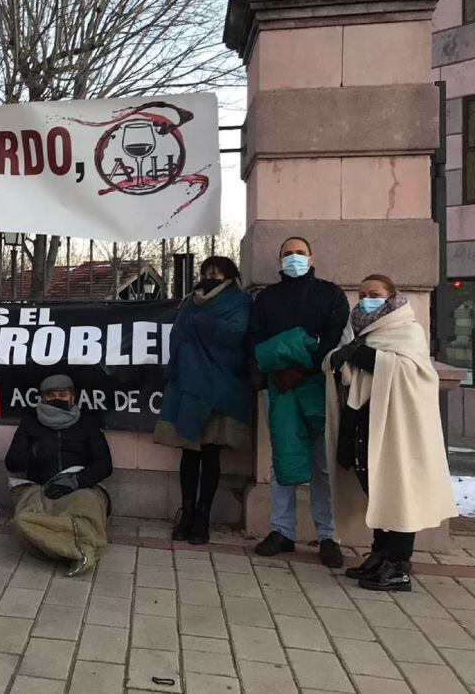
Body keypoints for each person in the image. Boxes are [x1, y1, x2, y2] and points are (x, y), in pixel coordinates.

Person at [325, 275, 456, 592]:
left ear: (391, 296)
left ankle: (399, 563)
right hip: (362, 418)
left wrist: (360, 356)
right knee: (374, 485)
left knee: (397, 487)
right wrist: (340, 357)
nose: (368, 298)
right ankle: (381, 552)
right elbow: (340, 359)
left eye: (375, 293)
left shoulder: (406, 329)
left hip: (396, 424)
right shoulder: (354, 328)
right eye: (362, 293)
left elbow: (410, 371)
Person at [248, 236, 349, 567]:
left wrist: (303, 370)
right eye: (288, 254)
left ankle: (328, 536)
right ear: (279, 262)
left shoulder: (331, 294)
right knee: (283, 458)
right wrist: (278, 369)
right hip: (279, 386)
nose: (294, 258)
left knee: (322, 464)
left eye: (299, 253)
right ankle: (282, 531)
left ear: (312, 258)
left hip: (318, 386)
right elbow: (257, 339)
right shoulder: (267, 298)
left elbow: (333, 339)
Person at [154, 256, 251, 545]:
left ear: (230, 275)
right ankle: (188, 511)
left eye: (218, 272)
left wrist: (201, 320)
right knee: (189, 452)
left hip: (220, 384)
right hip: (188, 383)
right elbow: (177, 336)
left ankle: (203, 517)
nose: (211, 276)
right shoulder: (190, 301)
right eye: (208, 271)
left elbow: (236, 334)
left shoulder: (240, 301)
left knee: (211, 452)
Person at [5, 374, 112, 576]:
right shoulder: (30, 423)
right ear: (42, 399)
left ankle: (55, 543)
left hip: (79, 486)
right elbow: (12, 464)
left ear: (72, 398)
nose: (57, 399)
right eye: (50, 395)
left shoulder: (88, 424)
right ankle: (77, 549)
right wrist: (28, 449)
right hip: (39, 487)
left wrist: (77, 480)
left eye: (62, 394)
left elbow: (104, 465)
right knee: (22, 521)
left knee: (87, 513)